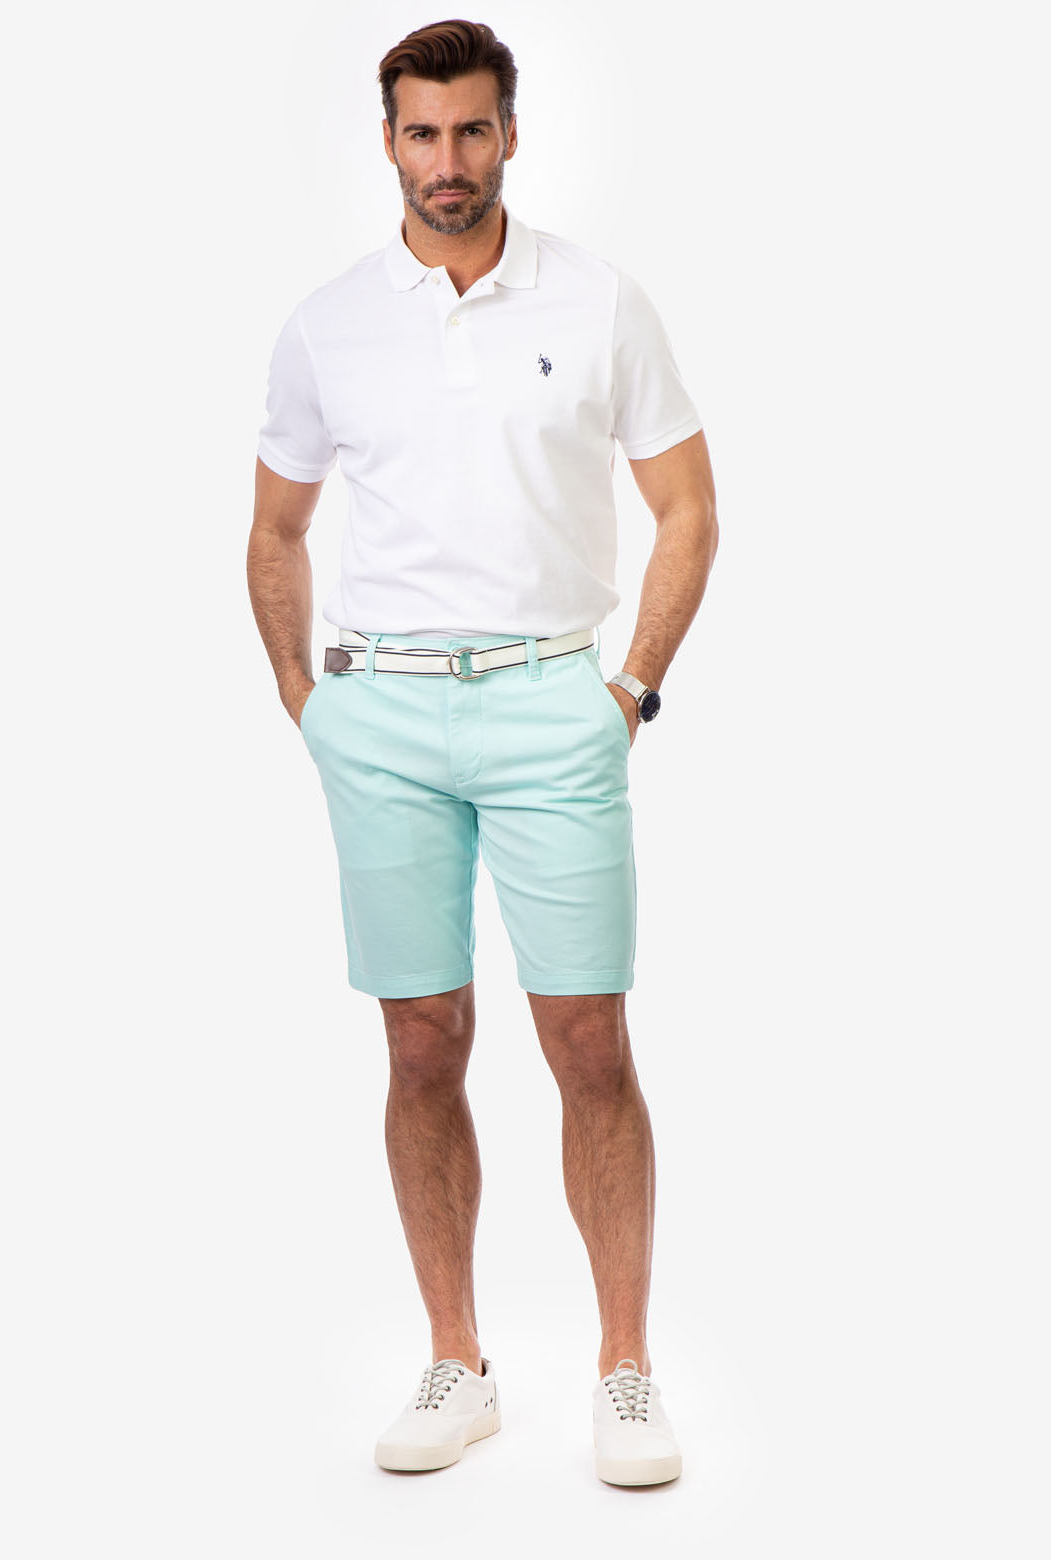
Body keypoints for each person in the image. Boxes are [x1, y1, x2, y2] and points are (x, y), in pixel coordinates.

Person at [246, 18, 718, 1487]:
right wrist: (309, 704)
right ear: (387, 142)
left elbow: (688, 509)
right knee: (419, 1039)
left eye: (469, 130)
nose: (445, 161)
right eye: (420, 133)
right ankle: (457, 1359)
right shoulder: (328, 324)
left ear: (509, 133)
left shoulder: (598, 299)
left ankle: (626, 1369)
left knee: (589, 1040)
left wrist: (628, 691)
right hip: (380, 716)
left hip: (552, 706)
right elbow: (275, 530)